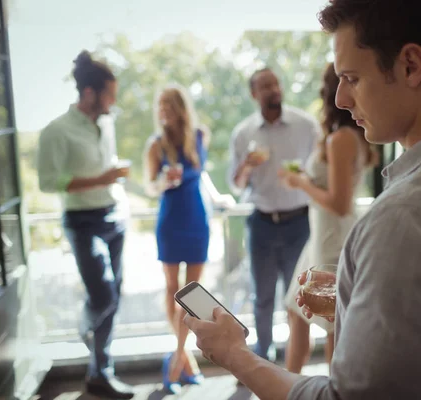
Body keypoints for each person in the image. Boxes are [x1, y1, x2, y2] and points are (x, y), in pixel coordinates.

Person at [183, 1, 421, 399]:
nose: (341, 100)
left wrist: (235, 355)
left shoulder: (407, 219)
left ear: (411, 65)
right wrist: (363, 293)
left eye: (351, 77)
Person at [37, 50, 134, 399]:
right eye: (109, 95)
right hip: (82, 221)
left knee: (115, 298)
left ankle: (100, 374)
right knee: (103, 294)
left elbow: (105, 168)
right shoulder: (56, 131)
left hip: (114, 215)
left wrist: (112, 177)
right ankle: (84, 326)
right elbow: (48, 181)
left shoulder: (107, 123)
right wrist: (101, 178)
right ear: (90, 93)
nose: (113, 102)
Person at [279, 62, 376, 373]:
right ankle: (288, 388)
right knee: (296, 309)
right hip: (320, 233)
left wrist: (301, 183)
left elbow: (339, 203)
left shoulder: (341, 139)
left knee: (335, 321)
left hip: (333, 236)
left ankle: (336, 388)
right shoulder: (342, 135)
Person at [143, 84, 234, 393]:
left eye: (169, 105)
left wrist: (218, 196)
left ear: (181, 108)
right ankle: (186, 361)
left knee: (191, 292)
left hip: (197, 215)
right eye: (161, 106)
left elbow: (201, 172)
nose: (164, 111)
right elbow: (149, 187)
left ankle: (177, 359)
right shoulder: (155, 145)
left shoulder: (200, 136)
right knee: (172, 289)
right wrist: (162, 182)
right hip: (170, 217)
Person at [227, 67, 319, 361]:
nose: (273, 90)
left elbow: (321, 173)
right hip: (262, 224)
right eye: (265, 86)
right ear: (255, 94)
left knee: (298, 297)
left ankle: (294, 359)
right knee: (263, 298)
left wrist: (303, 177)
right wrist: (246, 165)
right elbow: (236, 184)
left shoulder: (306, 126)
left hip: (299, 223)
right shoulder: (243, 133)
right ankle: (262, 355)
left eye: (276, 83)